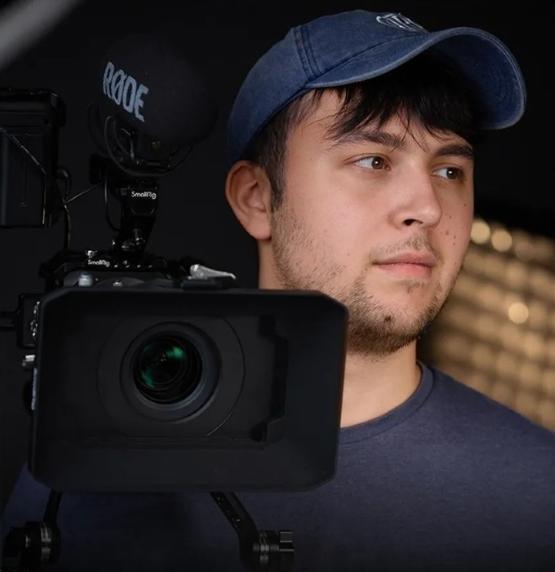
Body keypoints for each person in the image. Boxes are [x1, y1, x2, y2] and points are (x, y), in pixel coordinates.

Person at [3, 9, 555, 572]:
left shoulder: (539, 492)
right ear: (257, 198)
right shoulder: (95, 468)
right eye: (373, 160)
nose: (428, 208)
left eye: (450, 171)